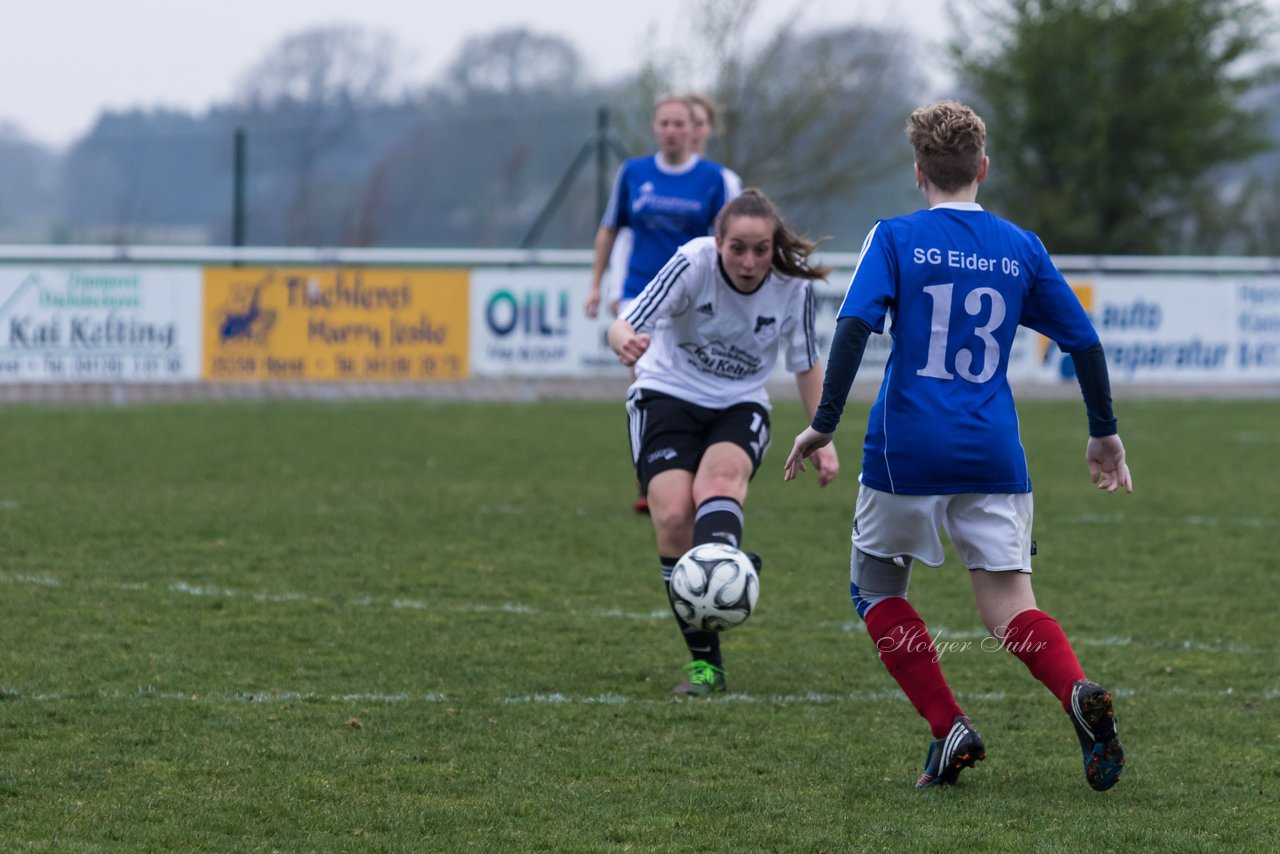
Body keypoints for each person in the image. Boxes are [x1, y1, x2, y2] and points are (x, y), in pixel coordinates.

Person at [783, 100, 1131, 791]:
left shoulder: (894, 237)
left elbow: (853, 327)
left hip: (905, 448)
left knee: (875, 588)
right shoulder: (1020, 246)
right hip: (993, 450)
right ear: (984, 168)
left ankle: (949, 726)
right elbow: (1083, 342)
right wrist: (1103, 433)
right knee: (1010, 608)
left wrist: (822, 423)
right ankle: (1073, 691)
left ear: (919, 172)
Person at [609, 188, 840, 697]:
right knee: (672, 519)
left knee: (719, 481)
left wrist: (822, 435)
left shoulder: (792, 284)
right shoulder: (691, 263)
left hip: (739, 403)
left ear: (774, 245)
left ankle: (723, 557)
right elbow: (624, 321)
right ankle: (706, 665)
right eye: (738, 248)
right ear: (718, 243)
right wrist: (621, 339)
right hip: (666, 394)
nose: (750, 260)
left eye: (761, 249)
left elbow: (805, 362)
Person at [587, 95, 740, 514]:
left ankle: (695, 467)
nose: (672, 130)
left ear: (694, 129)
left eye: (679, 123)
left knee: (692, 378)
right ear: (654, 128)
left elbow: (728, 239)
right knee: (646, 380)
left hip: (694, 296)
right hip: (642, 292)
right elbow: (610, 230)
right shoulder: (633, 173)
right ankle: (650, 476)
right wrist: (597, 285)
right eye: (664, 123)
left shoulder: (716, 179)